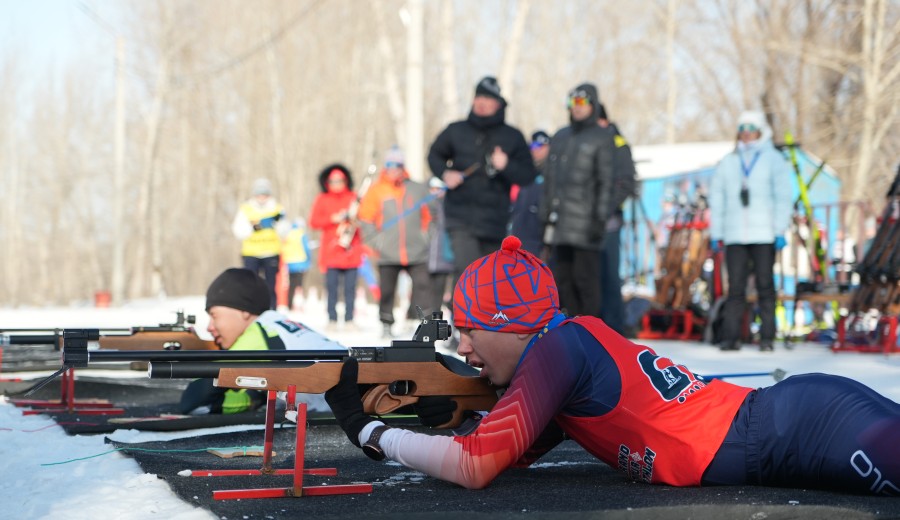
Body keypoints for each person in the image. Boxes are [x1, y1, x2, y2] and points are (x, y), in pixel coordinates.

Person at [324, 235, 900, 495]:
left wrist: (373, 432)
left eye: (470, 330)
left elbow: (475, 467)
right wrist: (443, 415)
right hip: (790, 423)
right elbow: (504, 453)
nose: (466, 348)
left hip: (796, 429)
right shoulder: (564, 346)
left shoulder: (557, 350)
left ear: (508, 323)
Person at [178, 268, 345, 415]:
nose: (209, 327)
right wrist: (253, 398)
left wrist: (245, 400)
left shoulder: (258, 335)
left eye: (214, 315)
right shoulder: (275, 325)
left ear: (243, 311)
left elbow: (194, 400)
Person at [427, 76, 537, 290]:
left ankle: (483, 322)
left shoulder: (512, 136)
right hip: (460, 217)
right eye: (478, 96)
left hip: (495, 221)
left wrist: (506, 165)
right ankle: (463, 321)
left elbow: (528, 174)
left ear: (499, 103)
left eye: (488, 98)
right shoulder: (456, 130)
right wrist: (446, 173)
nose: (482, 102)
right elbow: (434, 155)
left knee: (490, 279)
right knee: (467, 272)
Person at [708, 111, 792, 352]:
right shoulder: (729, 161)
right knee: (736, 287)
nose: (746, 133)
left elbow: (782, 196)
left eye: (751, 128)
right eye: (742, 128)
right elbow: (718, 197)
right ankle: (731, 337)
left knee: (766, 285)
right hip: (735, 235)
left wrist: (779, 229)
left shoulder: (773, 159)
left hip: (764, 233)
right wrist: (717, 233)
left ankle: (767, 337)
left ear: (760, 131)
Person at [540, 83, 616, 317]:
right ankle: (571, 327)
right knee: (562, 280)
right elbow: (549, 179)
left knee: (586, 281)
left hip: (586, 224)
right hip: (560, 224)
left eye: (583, 102)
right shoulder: (561, 136)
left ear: (593, 105)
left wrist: (600, 219)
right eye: (574, 102)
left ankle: (591, 331)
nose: (578, 108)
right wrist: (545, 212)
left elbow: (606, 181)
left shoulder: (602, 137)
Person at [357, 146, 433, 339]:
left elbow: (431, 216)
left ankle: (413, 319)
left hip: (417, 250)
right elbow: (365, 219)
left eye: (398, 164)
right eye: (390, 164)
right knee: (387, 290)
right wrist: (377, 242)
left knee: (422, 286)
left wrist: (426, 237)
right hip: (388, 252)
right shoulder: (376, 190)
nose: (394, 169)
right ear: (385, 166)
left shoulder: (416, 188)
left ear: (403, 166)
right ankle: (386, 322)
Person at [597, 103, 637, 336]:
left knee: (609, 275)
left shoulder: (618, 145)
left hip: (608, 222)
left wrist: (605, 208)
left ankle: (614, 327)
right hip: (586, 223)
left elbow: (626, 183)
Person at [309, 164, 364, 331]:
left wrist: (354, 220)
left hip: (351, 251)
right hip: (331, 252)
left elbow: (365, 218)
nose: (336, 184)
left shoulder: (355, 197)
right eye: (332, 181)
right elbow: (313, 222)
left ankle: (349, 319)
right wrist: (332, 219)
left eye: (340, 180)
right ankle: (332, 318)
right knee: (331, 288)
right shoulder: (322, 199)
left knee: (350, 288)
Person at [231, 178, 289, 310]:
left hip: (271, 252)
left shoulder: (277, 209)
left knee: (270, 286)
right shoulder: (246, 209)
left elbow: (285, 230)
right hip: (251, 253)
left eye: (265, 194)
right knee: (251, 286)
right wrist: (256, 226)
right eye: (259, 194)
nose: (262, 197)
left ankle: (271, 312)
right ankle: (251, 312)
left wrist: (277, 223)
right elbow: (238, 231)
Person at [509, 130, 550, 256]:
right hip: (521, 232)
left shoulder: (552, 172)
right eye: (532, 146)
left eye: (540, 146)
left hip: (539, 234)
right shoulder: (525, 171)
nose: (535, 150)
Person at [282, 217, 312, 311]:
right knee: (300, 286)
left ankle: (289, 305)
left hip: (290, 264)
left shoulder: (288, 234)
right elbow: (306, 248)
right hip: (301, 263)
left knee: (291, 285)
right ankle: (300, 305)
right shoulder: (301, 234)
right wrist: (309, 261)